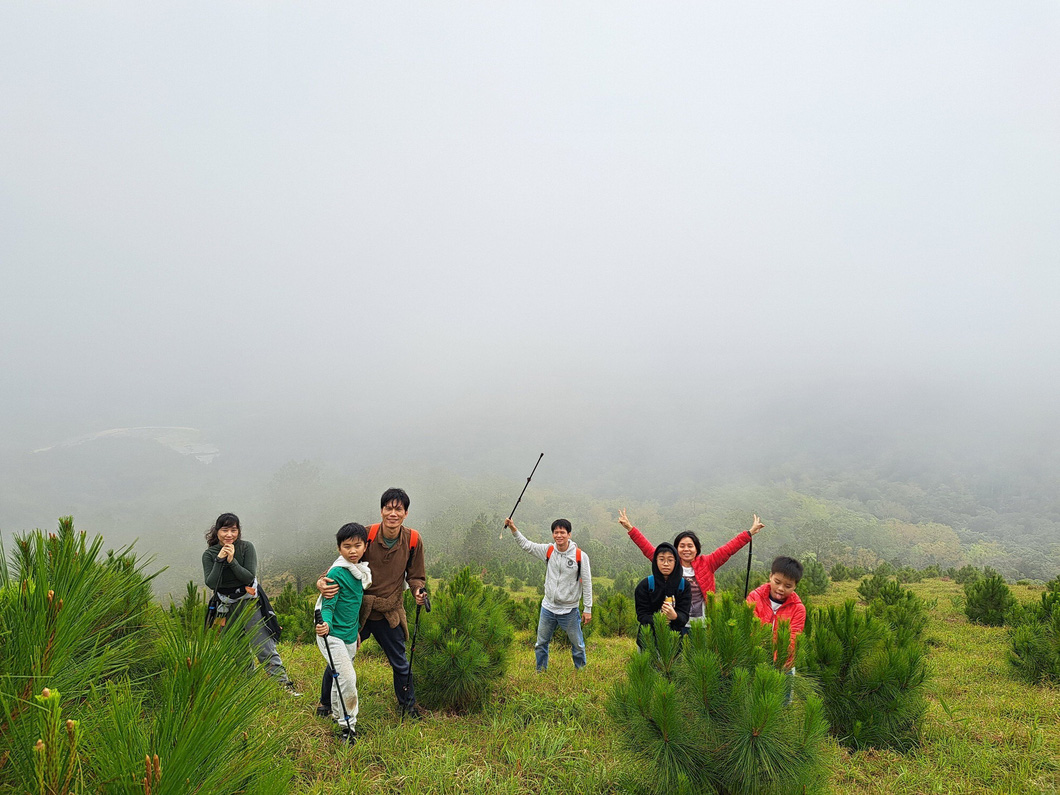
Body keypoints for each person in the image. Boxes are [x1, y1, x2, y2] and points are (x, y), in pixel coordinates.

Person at [317, 488, 427, 719]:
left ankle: (408, 705)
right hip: (359, 611)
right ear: (381, 510)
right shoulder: (365, 535)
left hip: (389, 610)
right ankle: (325, 703)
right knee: (341, 657)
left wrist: (418, 590)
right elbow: (343, 560)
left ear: (406, 513)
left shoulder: (413, 540)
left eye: (399, 509)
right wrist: (323, 580)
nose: (393, 513)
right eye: (389, 508)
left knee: (400, 662)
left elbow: (416, 576)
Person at [202, 512, 300, 695]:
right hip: (224, 605)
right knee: (234, 647)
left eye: (233, 530)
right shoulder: (209, 554)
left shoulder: (246, 548)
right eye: (225, 530)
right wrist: (219, 560)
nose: (229, 534)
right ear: (217, 531)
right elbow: (211, 582)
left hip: (249, 602)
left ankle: (283, 685)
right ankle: (248, 687)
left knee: (263, 644)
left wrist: (231, 561)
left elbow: (248, 577)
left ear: (238, 531)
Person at [619, 509, 764, 621]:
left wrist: (749, 533)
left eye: (690, 546)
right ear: (675, 549)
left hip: (701, 621)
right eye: (682, 546)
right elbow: (647, 548)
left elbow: (729, 549)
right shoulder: (669, 564)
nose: (686, 549)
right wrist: (630, 528)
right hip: (675, 620)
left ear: (697, 549)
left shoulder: (708, 563)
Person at [504, 517, 593, 672]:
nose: (559, 535)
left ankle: (581, 671)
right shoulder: (549, 550)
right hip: (548, 608)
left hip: (569, 610)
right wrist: (513, 528)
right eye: (556, 532)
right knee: (541, 643)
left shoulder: (580, 556)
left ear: (569, 535)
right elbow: (527, 545)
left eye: (562, 532)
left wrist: (588, 608)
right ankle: (541, 671)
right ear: (553, 534)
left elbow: (587, 582)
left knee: (578, 644)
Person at [315, 523, 372, 745]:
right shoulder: (338, 572)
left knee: (340, 678)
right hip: (332, 635)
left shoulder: (360, 572)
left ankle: (338, 715)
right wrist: (325, 625)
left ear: (365, 546)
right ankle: (348, 728)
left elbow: (353, 607)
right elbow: (328, 606)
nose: (352, 551)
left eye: (357, 545)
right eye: (347, 546)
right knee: (348, 678)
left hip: (349, 635)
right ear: (339, 549)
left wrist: (356, 631)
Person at [746, 556, 806, 669]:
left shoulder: (798, 609)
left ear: (795, 586)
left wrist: (776, 661)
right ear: (770, 576)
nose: (781, 588)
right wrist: (760, 657)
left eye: (788, 586)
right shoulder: (754, 598)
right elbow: (748, 628)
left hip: (783, 664)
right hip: (754, 659)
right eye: (777, 582)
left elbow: (793, 638)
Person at [633, 542, 692, 651]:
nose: (666, 564)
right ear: (656, 561)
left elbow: (684, 616)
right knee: (647, 667)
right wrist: (658, 619)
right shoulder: (646, 585)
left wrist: (674, 616)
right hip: (647, 642)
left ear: (676, 562)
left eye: (670, 560)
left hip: (674, 644)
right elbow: (641, 615)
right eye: (661, 559)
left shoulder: (684, 586)